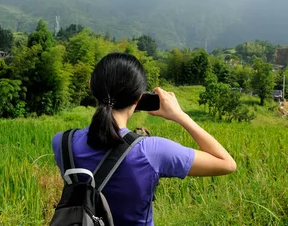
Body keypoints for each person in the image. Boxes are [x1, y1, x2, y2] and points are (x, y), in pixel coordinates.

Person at [51, 53, 237, 225]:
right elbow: (227, 163)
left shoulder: (62, 143)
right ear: (138, 99)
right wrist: (180, 115)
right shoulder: (152, 152)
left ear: (91, 85)